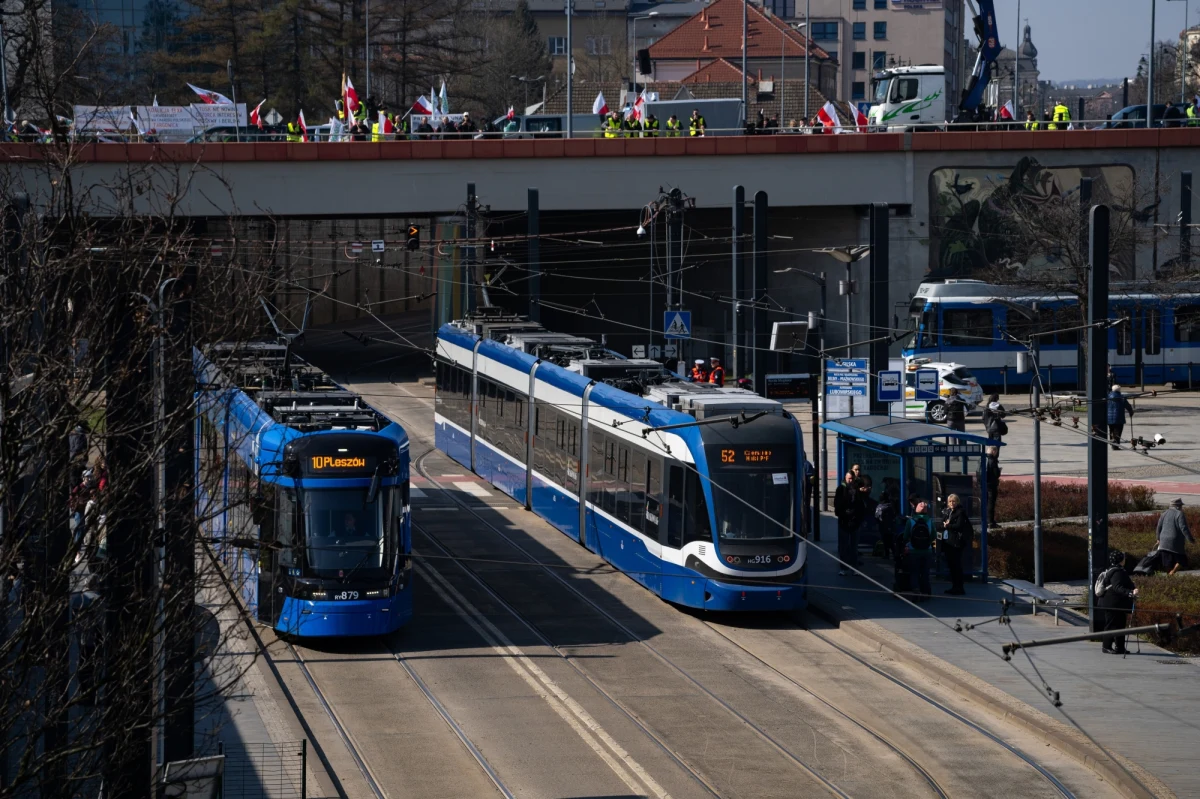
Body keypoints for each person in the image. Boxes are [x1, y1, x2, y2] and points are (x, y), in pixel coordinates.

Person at [1096, 549, 1138, 655]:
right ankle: (1106, 647)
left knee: (1119, 624)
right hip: (1112, 603)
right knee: (1111, 624)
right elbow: (1117, 587)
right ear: (1120, 560)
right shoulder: (1117, 572)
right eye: (1123, 558)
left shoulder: (1113, 569)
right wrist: (1130, 592)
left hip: (1115, 603)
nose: (1125, 559)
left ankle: (1120, 647)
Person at [901, 501, 935, 600]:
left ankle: (916, 590)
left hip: (913, 550)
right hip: (927, 550)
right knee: (925, 572)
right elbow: (933, 535)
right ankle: (926, 591)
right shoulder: (929, 521)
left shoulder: (910, 521)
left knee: (914, 572)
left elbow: (905, 536)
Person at [941, 493, 972, 595]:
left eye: (953, 501)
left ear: (957, 502)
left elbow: (959, 525)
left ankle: (959, 587)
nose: (952, 503)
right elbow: (942, 522)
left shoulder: (960, 512)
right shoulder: (948, 512)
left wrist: (948, 525)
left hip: (957, 542)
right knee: (951, 565)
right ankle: (954, 586)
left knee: (956, 565)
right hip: (948, 541)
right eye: (950, 501)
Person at [1155, 498, 1195, 574]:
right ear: (1178, 506)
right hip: (1175, 542)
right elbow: (1184, 528)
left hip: (1163, 542)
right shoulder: (1179, 514)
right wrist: (1191, 539)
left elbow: (1158, 527)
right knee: (1182, 560)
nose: (1181, 507)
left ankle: (1170, 576)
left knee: (1168, 564)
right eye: (1181, 506)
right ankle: (1172, 573)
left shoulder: (1164, 513)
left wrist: (1158, 539)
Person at [834, 472, 856, 576]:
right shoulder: (841, 489)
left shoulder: (856, 490)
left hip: (855, 522)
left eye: (852, 479)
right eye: (848, 479)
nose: (850, 481)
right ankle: (843, 568)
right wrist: (844, 513)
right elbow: (837, 506)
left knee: (853, 546)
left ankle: (854, 567)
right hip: (844, 521)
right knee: (844, 546)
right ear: (845, 479)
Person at [1106, 384, 1134, 451]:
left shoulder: (1108, 397)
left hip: (1109, 418)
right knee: (1117, 431)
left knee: (1111, 430)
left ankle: (1112, 442)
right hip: (1119, 418)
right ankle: (1115, 445)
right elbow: (1128, 406)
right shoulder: (1122, 398)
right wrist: (1131, 412)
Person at [983, 445, 1001, 527]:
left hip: (984, 484)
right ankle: (990, 521)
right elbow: (995, 474)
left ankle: (984, 521)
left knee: (984, 503)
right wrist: (999, 471)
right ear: (993, 451)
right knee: (991, 503)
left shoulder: (983, 458)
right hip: (991, 485)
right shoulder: (992, 460)